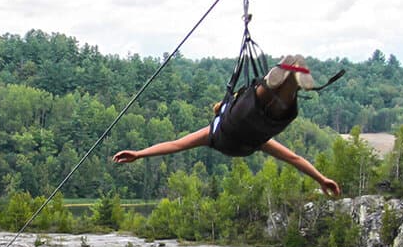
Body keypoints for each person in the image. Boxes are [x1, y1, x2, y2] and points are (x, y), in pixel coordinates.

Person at [113, 54, 341, 197]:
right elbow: (295, 158)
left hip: (244, 124)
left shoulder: (212, 134)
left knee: (266, 109)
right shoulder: (241, 135)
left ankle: (286, 80)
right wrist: (320, 178)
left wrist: (140, 154)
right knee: (262, 103)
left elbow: (175, 145)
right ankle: (290, 80)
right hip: (249, 122)